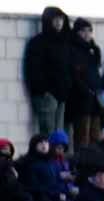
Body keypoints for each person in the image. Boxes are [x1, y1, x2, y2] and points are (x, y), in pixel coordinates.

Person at [23, 6, 72, 136]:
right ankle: (46, 156)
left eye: (61, 19)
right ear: (48, 21)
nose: (58, 22)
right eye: (55, 19)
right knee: (47, 133)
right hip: (46, 96)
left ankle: (56, 157)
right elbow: (33, 69)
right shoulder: (38, 42)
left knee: (59, 136)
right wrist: (44, 91)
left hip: (61, 95)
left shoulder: (64, 43)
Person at [66, 18, 102, 149]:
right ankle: (82, 166)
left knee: (96, 136)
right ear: (77, 32)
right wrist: (85, 91)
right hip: (81, 100)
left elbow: (96, 72)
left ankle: (95, 164)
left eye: (89, 31)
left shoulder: (93, 49)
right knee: (82, 137)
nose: (87, 34)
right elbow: (74, 75)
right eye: (83, 31)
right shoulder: (72, 49)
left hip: (95, 100)